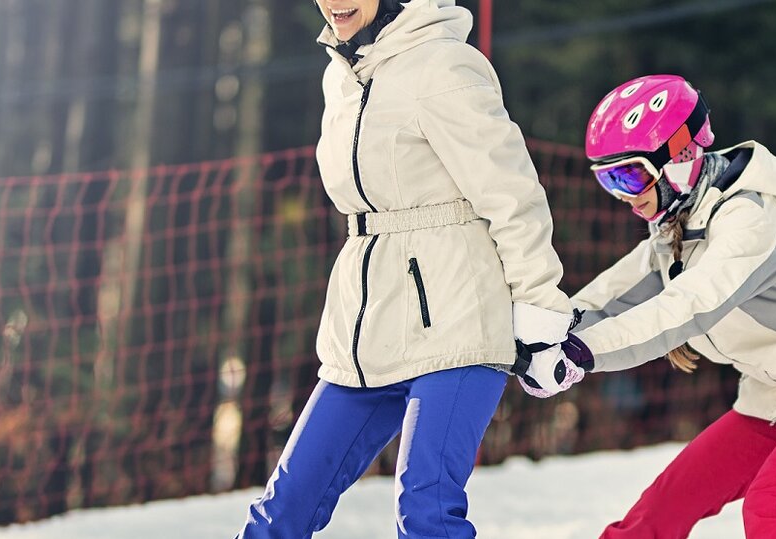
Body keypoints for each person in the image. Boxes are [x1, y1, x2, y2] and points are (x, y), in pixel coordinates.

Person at [519, 74, 776, 538]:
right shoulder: (676, 227)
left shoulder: (747, 220)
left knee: (774, 507)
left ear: (680, 158)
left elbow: (686, 307)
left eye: (630, 175)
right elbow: (606, 297)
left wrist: (581, 354)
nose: (626, 197)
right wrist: (544, 332)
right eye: (610, 182)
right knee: (659, 512)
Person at [239, 1, 577, 537]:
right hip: (369, 323)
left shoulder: (443, 65)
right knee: (285, 506)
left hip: (458, 315)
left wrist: (538, 306)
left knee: (426, 508)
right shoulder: (341, 76)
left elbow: (512, 194)